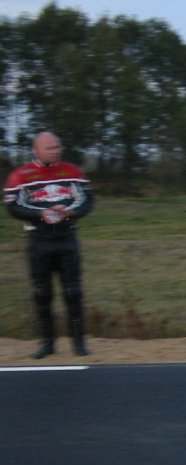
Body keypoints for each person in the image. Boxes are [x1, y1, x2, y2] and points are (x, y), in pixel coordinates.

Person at [4, 132, 94, 358]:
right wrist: (40, 214)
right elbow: (13, 207)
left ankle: (79, 344)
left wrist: (70, 212)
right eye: (50, 148)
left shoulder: (73, 171)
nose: (56, 151)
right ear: (36, 150)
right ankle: (47, 344)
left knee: (73, 292)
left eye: (58, 147)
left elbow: (88, 201)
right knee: (42, 294)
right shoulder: (21, 175)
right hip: (39, 240)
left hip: (66, 238)